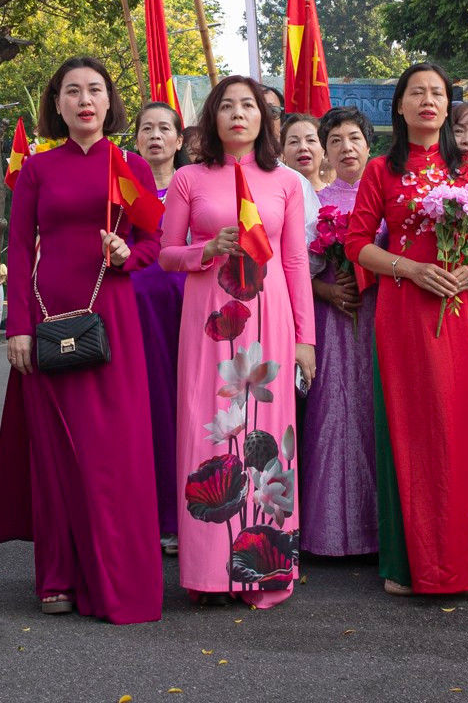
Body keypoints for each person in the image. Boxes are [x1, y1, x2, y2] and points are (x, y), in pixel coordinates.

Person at [0, 59, 164, 622]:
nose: (85, 100)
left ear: (110, 103)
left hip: (110, 314)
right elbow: (18, 248)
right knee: (56, 452)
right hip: (44, 315)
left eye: (95, 90)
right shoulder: (37, 169)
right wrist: (17, 326)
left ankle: (115, 576)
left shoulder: (129, 165)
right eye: (72, 92)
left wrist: (126, 255)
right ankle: (58, 575)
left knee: (114, 450)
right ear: (56, 104)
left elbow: (153, 240)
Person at [348, 63, 468, 597]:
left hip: (462, 311)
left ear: (448, 106)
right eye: (416, 92)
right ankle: (409, 564)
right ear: (398, 106)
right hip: (405, 313)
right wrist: (411, 268)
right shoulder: (381, 169)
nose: (427, 100)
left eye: (437, 93)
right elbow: (357, 244)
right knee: (411, 428)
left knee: (463, 428)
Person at [159, 75, 313, 607]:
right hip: (209, 322)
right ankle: (208, 572)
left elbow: (294, 262)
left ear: (263, 118)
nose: (238, 114)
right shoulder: (188, 180)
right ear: (212, 118)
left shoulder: (286, 182)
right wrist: (207, 248)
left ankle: (264, 571)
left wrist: (305, 339)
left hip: (269, 320)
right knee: (211, 434)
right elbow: (166, 254)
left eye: (249, 105)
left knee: (270, 438)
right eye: (227, 106)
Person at [300, 106, 379, 558]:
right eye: (335, 141)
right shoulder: (315, 202)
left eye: (354, 138)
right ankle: (329, 534)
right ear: (326, 151)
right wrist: (328, 292)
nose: (346, 148)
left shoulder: (387, 196)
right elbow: (294, 271)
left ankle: (378, 530)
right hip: (333, 320)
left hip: (379, 317)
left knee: (375, 414)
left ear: (369, 145)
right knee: (332, 413)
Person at [130, 100, 188, 555]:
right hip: (139, 312)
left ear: (179, 139)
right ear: (135, 141)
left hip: (190, 309)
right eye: (146, 128)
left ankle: (190, 516)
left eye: (163, 128)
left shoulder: (195, 185)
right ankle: (152, 517)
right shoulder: (124, 192)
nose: (155, 136)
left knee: (189, 411)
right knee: (148, 410)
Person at [281, 112, 334, 192]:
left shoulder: (336, 196)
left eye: (311, 140)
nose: (303, 147)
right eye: (294, 142)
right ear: (283, 151)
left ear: (323, 149)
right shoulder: (273, 196)